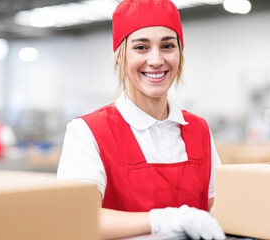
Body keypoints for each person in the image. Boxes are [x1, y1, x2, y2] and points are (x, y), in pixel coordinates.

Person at [57, 0, 225, 239]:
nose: (156, 60)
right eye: (141, 47)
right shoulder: (87, 132)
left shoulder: (199, 129)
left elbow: (215, 206)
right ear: (120, 57)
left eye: (167, 46)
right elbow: (79, 217)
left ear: (180, 54)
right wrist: (164, 219)